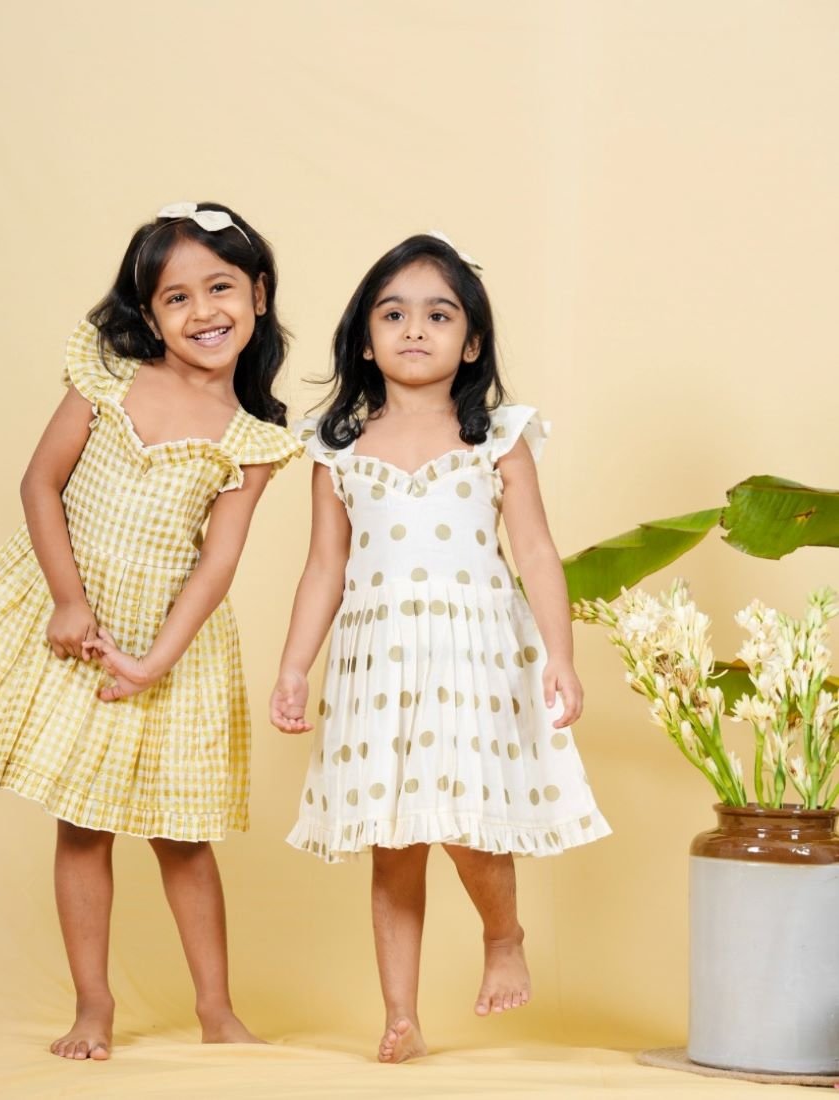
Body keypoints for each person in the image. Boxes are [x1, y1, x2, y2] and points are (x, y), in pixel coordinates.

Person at [0, 202, 301, 1061]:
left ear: (258, 295)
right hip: (82, 621)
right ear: (149, 313)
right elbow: (40, 482)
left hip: (170, 642)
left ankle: (216, 1010)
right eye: (176, 297)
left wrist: (155, 661)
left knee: (183, 836)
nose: (203, 311)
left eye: (221, 287)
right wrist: (68, 601)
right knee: (82, 823)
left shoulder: (252, 441)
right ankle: (93, 1006)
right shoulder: (109, 376)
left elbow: (218, 563)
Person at [269, 232, 609, 1063]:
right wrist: (294, 666)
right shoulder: (338, 449)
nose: (414, 329)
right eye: (393, 314)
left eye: (438, 314)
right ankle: (401, 1015)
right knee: (394, 840)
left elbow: (536, 552)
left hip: (474, 656)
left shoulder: (498, 437)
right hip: (379, 661)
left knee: (470, 823)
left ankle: (503, 933)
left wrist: (560, 656)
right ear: (364, 340)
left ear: (473, 342)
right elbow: (324, 567)